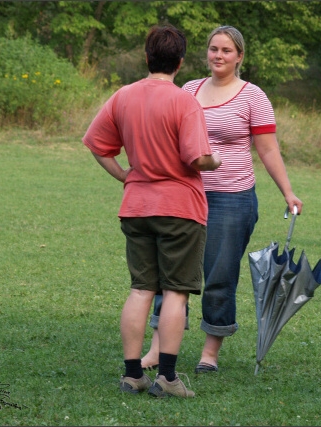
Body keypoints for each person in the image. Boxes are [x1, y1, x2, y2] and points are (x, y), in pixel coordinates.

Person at [141, 25, 303, 374]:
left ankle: (209, 352)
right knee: (171, 273)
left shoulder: (253, 96)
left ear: (239, 56)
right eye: (214, 49)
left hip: (232, 199)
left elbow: (268, 148)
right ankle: (157, 348)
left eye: (227, 51)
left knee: (218, 276)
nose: (218, 56)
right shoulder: (188, 89)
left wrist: (287, 191)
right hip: (186, 195)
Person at [82, 24, 221, 398]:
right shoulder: (184, 101)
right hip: (180, 209)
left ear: (146, 58)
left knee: (141, 289)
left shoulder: (123, 96)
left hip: (137, 206)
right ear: (179, 63)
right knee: (176, 292)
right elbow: (197, 157)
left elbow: (96, 144)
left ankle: (132, 375)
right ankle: (168, 378)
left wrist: (126, 176)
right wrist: (216, 159)